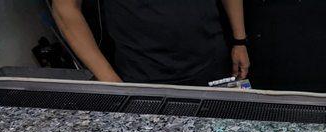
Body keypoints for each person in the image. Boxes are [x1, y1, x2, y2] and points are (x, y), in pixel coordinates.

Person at [52, 0, 250, 85]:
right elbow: (65, 8)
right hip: (144, 76)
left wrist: (239, 40)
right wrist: (109, 81)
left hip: (213, 64)